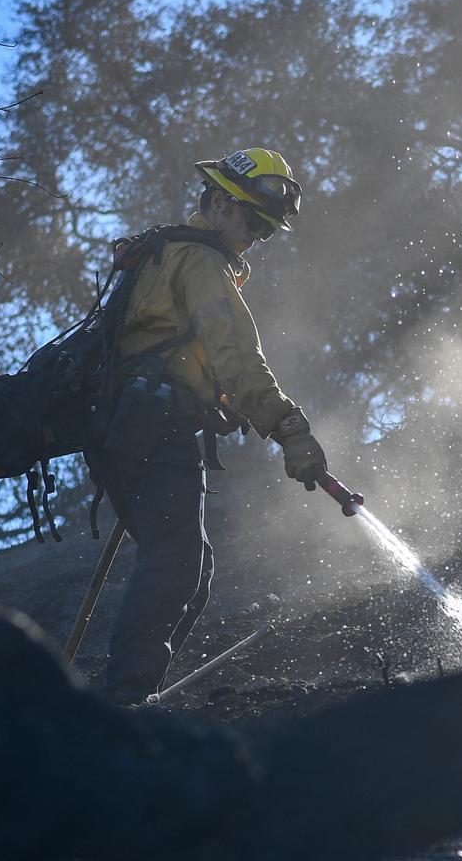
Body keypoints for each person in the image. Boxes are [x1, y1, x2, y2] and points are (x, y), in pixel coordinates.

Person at [90, 147, 330, 702]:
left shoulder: (163, 251)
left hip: (127, 428)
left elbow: (175, 352)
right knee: (177, 560)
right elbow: (238, 359)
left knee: (189, 566)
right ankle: (125, 702)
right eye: (253, 220)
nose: (255, 238)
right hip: (152, 427)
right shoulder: (200, 262)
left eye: (267, 231)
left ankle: (134, 692)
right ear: (221, 203)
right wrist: (290, 429)